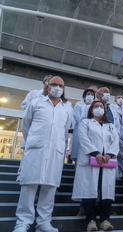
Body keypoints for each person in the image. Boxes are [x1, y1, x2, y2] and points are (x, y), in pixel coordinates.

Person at [13, 76, 71, 232]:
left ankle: (43, 222)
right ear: (47, 86)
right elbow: (26, 126)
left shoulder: (66, 108)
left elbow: (65, 131)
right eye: (54, 84)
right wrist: (33, 141)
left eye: (61, 85)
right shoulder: (36, 103)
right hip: (36, 150)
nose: (58, 88)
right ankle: (23, 222)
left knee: (50, 187)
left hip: (55, 152)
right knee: (29, 186)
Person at [72, 100, 119, 231]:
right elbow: (83, 138)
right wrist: (96, 153)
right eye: (96, 106)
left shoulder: (110, 126)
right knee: (89, 190)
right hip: (91, 160)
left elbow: (116, 141)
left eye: (101, 106)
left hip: (106, 161)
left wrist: (109, 154)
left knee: (106, 191)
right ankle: (91, 220)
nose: (99, 108)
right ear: (91, 110)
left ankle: (105, 220)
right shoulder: (85, 122)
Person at [70, 89, 95, 161]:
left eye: (92, 94)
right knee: (78, 152)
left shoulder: (95, 106)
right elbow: (76, 116)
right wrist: (83, 122)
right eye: (88, 94)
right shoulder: (79, 104)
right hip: (79, 129)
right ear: (84, 96)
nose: (90, 96)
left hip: (91, 130)